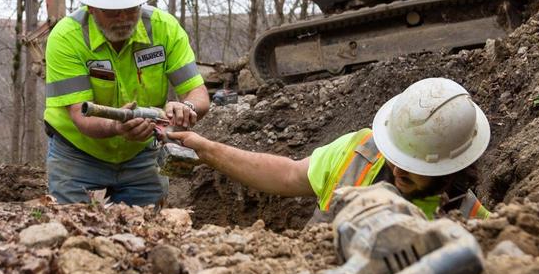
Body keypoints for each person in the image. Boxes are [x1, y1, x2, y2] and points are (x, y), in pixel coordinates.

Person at [168, 77, 491, 220]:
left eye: (415, 166)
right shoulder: (361, 150)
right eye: (396, 156)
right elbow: (287, 174)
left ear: (451, 167)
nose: (399, 169)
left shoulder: (467, 219)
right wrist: (205, 149)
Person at [44, 0, 210, 206]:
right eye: (112, 11)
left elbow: (198, 93)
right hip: (77, 155)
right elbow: (80, 116)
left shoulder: (163, 29)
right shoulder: (66, 38)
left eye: (131, 7)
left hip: (142, 156)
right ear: (90, 6)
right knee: (70, 233)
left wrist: (186, 107)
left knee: (148, 236)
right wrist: (116, 127)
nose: (123, 18)